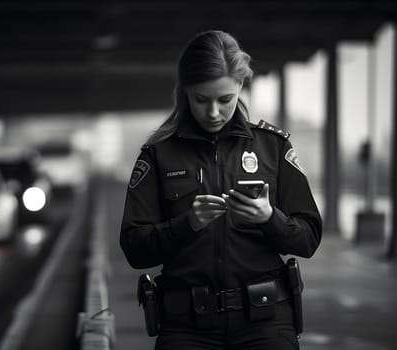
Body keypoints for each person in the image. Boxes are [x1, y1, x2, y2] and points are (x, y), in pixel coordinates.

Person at [120, 30, 322, 349]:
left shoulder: (273, 147)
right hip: (186, 327)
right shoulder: (158, 154)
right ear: (185, 92)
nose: (213, 112)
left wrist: (270, 218)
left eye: (224, 99)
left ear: (240, 86)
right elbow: (133, 248)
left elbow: (309, 237)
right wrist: (187, 224)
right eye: (201, 99)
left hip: (266, 323)